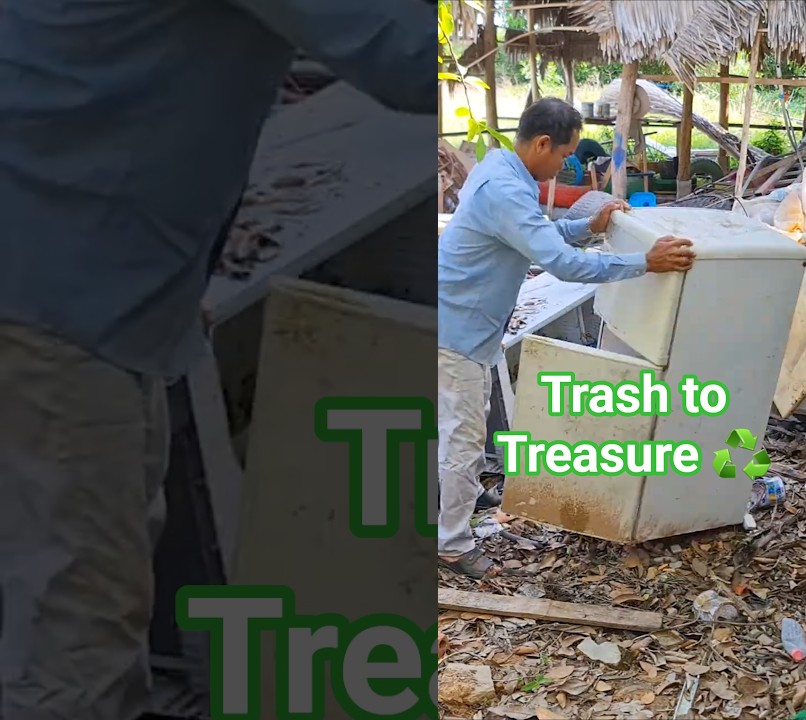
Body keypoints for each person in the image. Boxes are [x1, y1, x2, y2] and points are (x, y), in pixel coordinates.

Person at [0, 1, 435, 717]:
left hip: (84, 291)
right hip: (58, 300)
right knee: (74, 635)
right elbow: (406, 54)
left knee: (60, 587)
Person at [437, 98, 695, 579]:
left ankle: (467, 494)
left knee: (460, 427)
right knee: (463, 439)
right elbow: (563, 264)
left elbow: (540, 234)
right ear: (541, 144)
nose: (564, 166)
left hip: (467, 320)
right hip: (457, 330)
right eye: (563, 156)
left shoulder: (500, 168)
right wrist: (645, 263)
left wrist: (586, 225)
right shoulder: (507, 191)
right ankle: (451, 543)